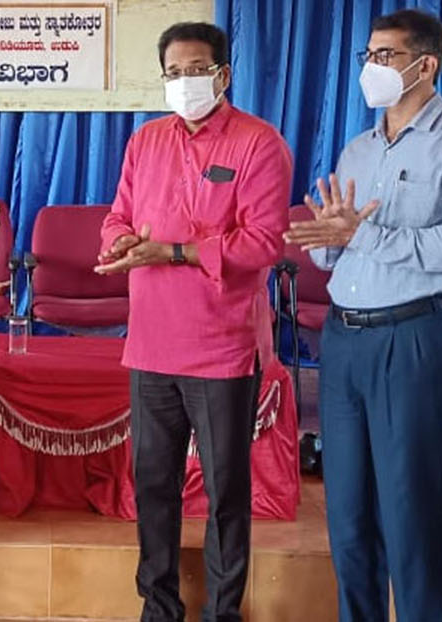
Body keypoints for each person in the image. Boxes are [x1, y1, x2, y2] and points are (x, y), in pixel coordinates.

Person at [284, 9, 442, 621]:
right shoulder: (358, 148)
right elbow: (338, 250)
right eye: (368, 56)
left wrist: (364, 234)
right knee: (348, 509)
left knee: (413, 506)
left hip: (411, 335)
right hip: (344, 339)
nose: (371, 68)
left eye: (385, 56)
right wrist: (328, 237)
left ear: (425, 65)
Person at [95, 22, 291, 622]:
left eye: (196, 70)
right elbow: (118, 214)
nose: (184, 82)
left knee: (226, 491)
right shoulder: (146, 140)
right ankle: (158, 609)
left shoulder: (259, 144)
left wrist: (176, 252)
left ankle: (222, 613)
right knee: (153, 485)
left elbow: (263, 242)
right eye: (173, 73)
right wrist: (118, 241)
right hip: (150, 344)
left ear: (223, 75)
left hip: (222, 347)